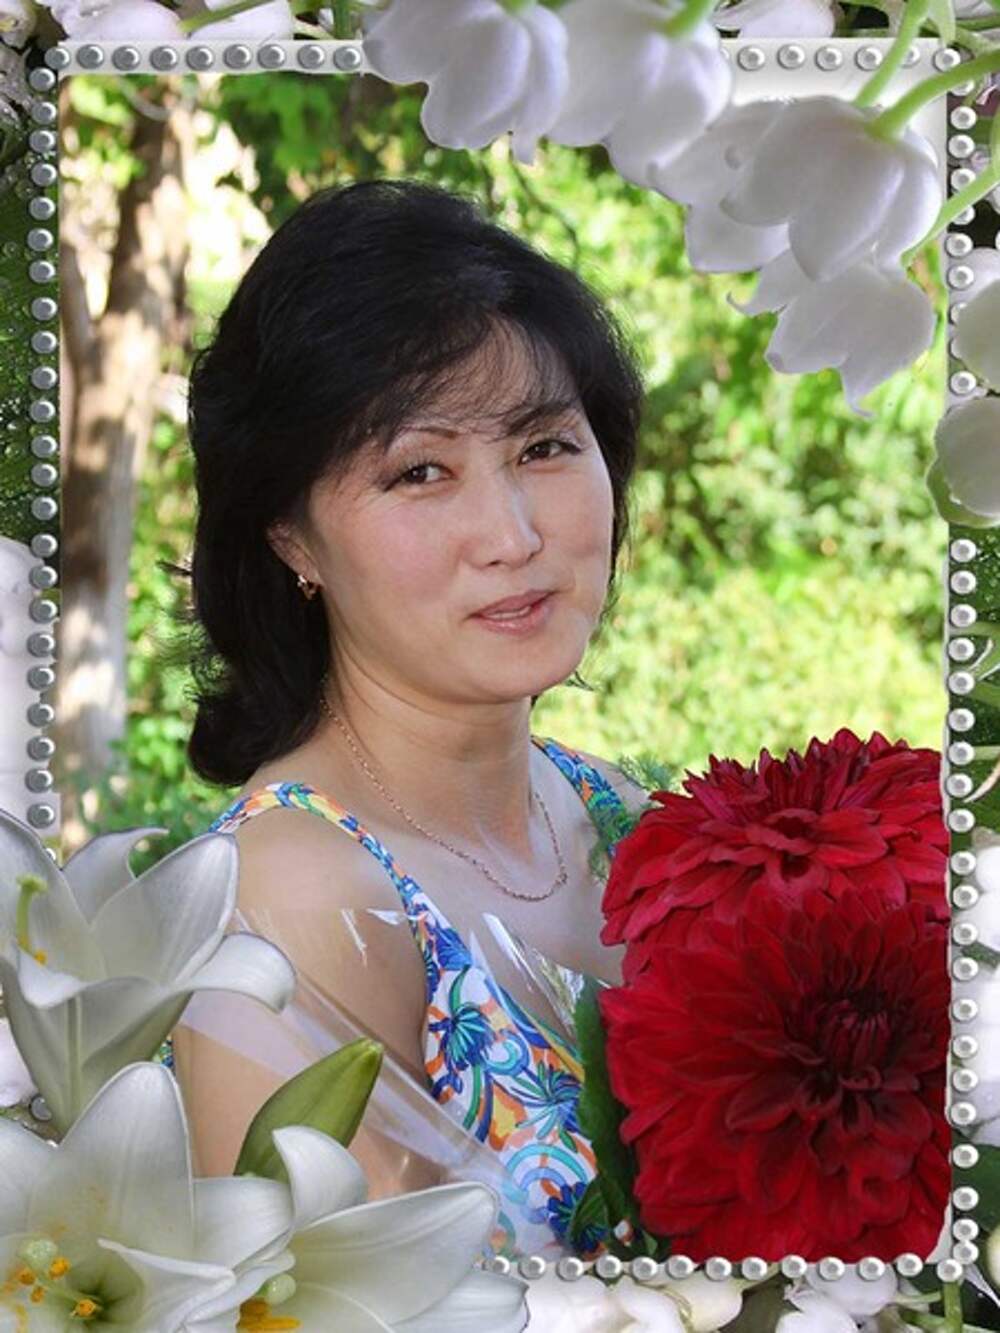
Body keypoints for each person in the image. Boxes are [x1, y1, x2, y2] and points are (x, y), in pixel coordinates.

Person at [170, 177, 650, 1258]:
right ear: (290, 535)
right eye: (419, 471)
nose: (512, 535)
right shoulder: (293, 895)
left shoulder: (620, 815)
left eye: (543, 447)